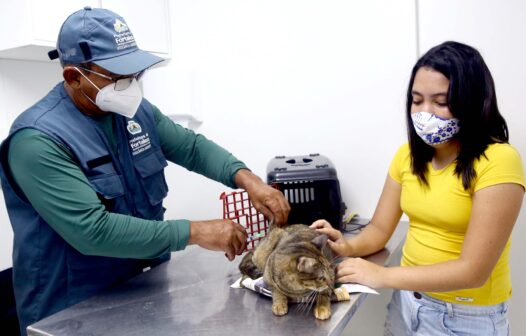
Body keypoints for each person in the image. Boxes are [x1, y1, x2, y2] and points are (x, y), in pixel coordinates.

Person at [0, 7, 290, 335]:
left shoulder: (133, 111)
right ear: (74, 77)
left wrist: (248, 180)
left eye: (136, 74)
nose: (132, 85)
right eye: (119, 77)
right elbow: (91, 231)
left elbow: (191, 147)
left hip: (140, 289)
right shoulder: (37, 141)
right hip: (71, 310)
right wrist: (196, 232)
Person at [311, 41, 525, 335]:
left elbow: (474, 271)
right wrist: (345, 247)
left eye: (440, 102)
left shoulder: (499, 161)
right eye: (416, 100)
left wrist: (381, 276)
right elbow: (378, 230)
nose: (425, 112)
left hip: (464, 317)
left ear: (472, 100)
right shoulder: (407, 156)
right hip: (407, 305)